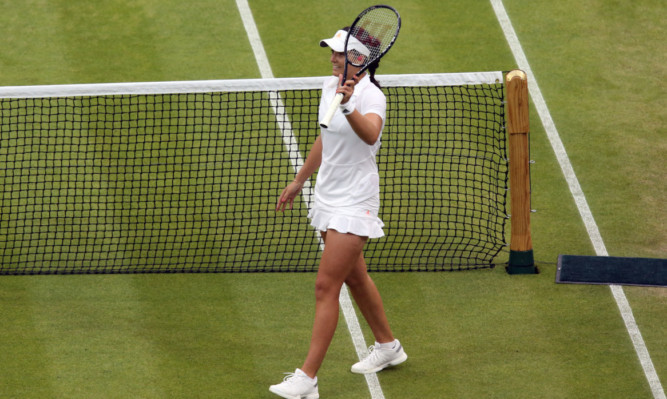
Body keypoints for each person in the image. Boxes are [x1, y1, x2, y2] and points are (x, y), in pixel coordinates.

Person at [269, 28, 407, 399]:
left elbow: (370, 135)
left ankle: (307, 378)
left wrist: (349, 105)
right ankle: (389, 346)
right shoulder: (330, 86)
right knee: (355, 278)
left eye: (339, 54)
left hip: (355, 201)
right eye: (331, 52)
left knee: (325, 286)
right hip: (327, 195)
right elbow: (324, 137)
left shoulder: (371, 96)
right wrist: (300, 181)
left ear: (359, 59)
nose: (331, 58)